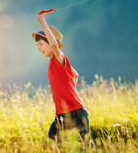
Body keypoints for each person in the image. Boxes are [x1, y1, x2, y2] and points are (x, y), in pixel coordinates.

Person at [31, 9, 93, 149]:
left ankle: (91, 146)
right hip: (61, 114)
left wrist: (42, 21)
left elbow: (54, 45)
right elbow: (75, 75)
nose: (39, 48)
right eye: (38, 45)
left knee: (83, 147)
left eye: (41, 44)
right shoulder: (55, 64)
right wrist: (69, 87)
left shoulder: (60, 59)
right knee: (53, 143)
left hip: (76, 112)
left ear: (54, 44)